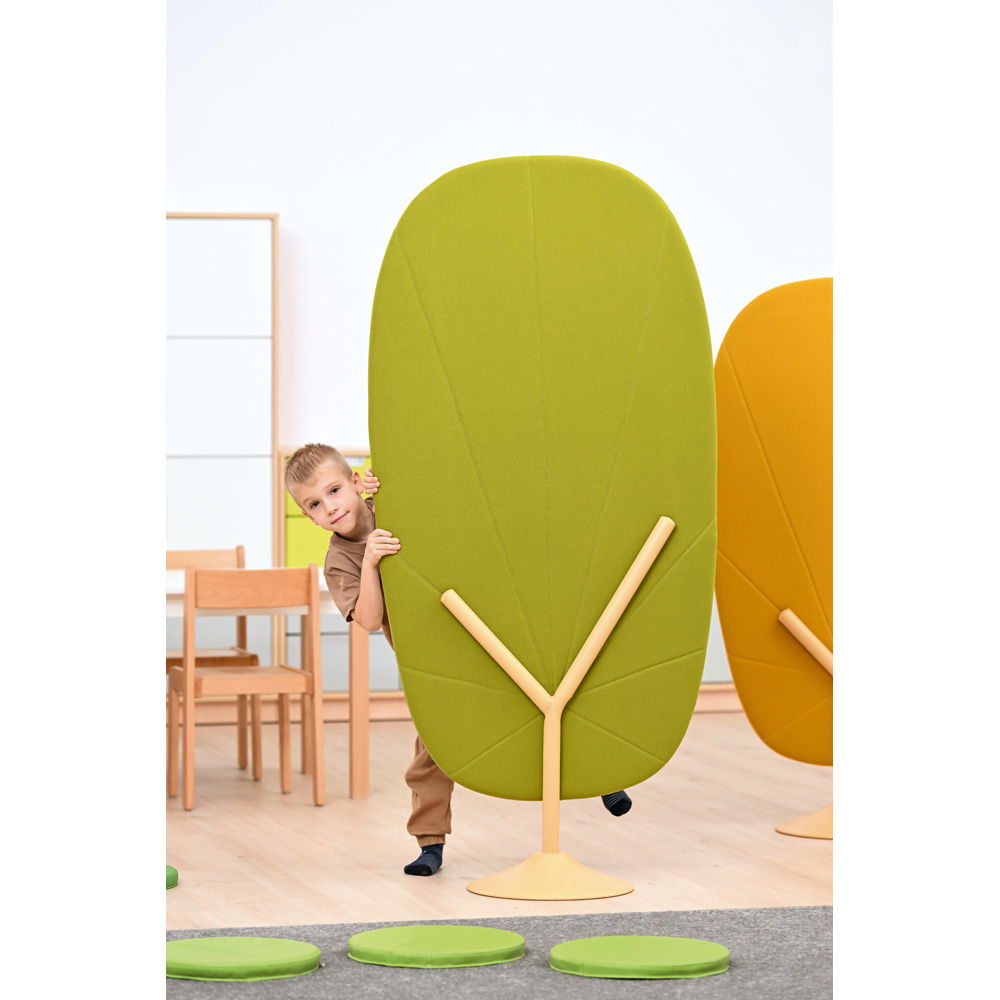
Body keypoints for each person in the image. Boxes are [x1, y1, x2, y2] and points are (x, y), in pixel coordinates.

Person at [285, 443, 632, 878]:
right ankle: (430, 842)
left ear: (355, 483)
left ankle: (602, 777)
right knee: (434, 749)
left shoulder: (394, 506)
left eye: (335, 491)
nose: (331, 507)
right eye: (315, 504)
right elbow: (369, 620)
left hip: (481, 625)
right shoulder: (339, 561)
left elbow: (444, 497)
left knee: (549, 695)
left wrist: (386, 486)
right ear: (309, 516)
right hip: (433, 661)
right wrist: (370, 562)